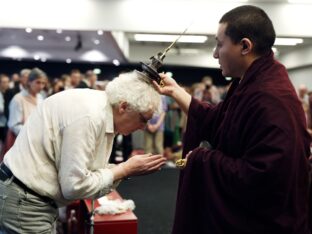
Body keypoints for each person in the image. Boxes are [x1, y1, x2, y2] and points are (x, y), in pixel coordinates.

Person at [154, 5, 311, 234]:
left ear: (245, 46)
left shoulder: (271, 98)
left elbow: (264, 177)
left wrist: (202, 159)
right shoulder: (248, 83)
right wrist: (176, 91)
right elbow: (220, 121)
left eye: (219, 44)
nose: (215, 54)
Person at [0, 71, 166, 233]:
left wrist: (122, 170)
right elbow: (74, 186)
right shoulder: (90, 117)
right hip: (26, 200)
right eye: (143, 119)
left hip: (27, 198)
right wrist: (124, 170)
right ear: (123, 106)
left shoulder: (99, 108)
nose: (143, 127)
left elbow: (88, 172)